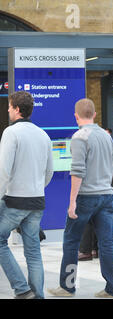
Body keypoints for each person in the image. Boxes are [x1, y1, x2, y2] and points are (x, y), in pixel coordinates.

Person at [48, 98, 113, 298]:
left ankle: (67, 286)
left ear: (76, 116)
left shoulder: (80, 137)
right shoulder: (107, 137)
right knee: (106, 243)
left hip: (87, 197)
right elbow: (112, 165)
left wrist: (72, 202)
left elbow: (77, 172)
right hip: (107, 195)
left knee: (71, 241)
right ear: (95, 114)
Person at [0, 91, 53, 299]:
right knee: (33, 252)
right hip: (37, 201)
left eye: (10, 106)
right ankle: (37, 295)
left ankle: (21, 289)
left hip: (14, 201)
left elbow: (4, 171)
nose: (8, 109)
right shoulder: (43, 134)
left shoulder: (11, 133)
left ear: (17, 110)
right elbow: (49, 172)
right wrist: (37, 187)